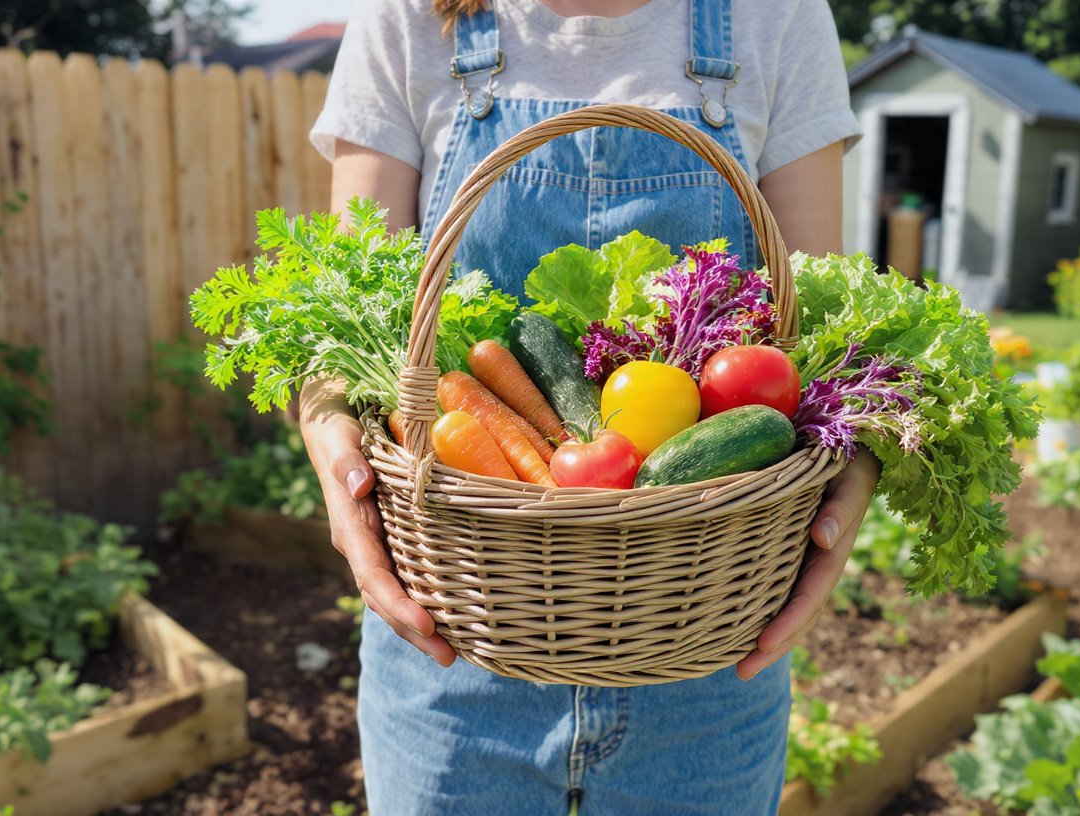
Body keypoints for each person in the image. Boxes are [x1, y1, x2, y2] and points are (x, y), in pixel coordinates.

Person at [300, 1, 878, 812]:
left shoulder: (774, 13)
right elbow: (342, 321)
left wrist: (852, 458)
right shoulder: (408, 13)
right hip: (455, 630)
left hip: (705, 627)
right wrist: (329, 434)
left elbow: (820, 326)